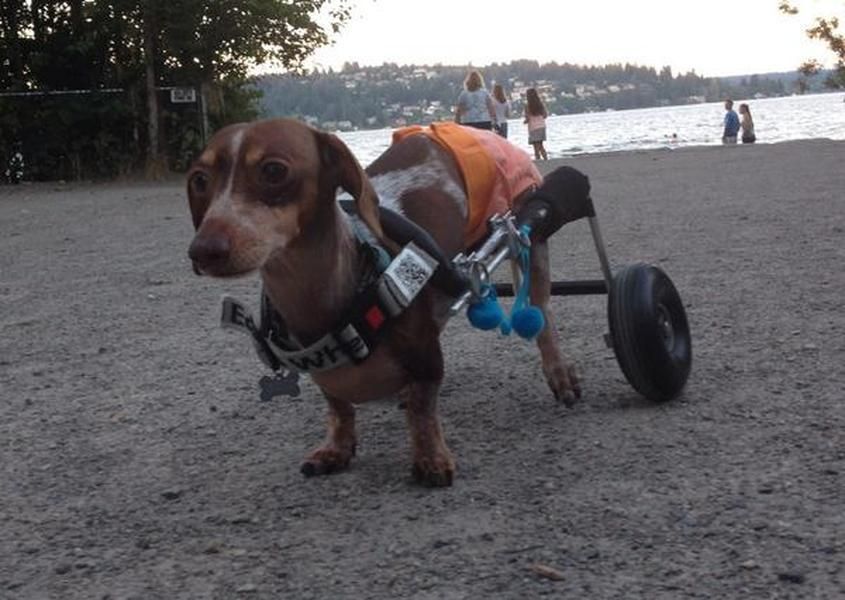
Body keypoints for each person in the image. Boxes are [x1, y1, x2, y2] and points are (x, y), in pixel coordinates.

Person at [524, 87, 548, 160]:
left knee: (535, 146)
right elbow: (545, 115)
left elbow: (527, 118)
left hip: (533, 127)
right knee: (541, 145)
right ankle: (546, 159)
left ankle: (538, 160)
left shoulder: (527, 106)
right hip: (542, 126)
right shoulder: (540, 104)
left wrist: (525, 121)